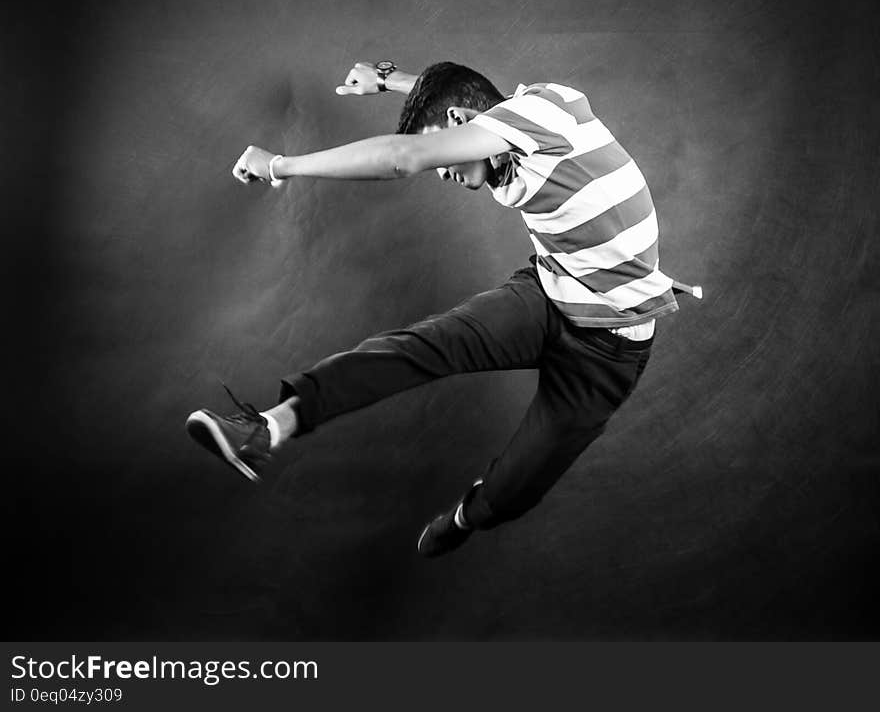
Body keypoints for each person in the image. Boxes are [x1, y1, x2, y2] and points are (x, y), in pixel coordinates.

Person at [186, 60, 699, 558]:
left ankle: (467, 516)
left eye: (440, 151)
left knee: (517, 487)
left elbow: (403, 156)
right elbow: (465, 93)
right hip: (547, 293)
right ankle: (267, 428)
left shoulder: (544, 114)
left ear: (459, 126)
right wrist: (390, 82)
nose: (440, 170)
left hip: (607, 352)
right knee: (421, 346)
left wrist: (283, 165)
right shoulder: (501, 115)